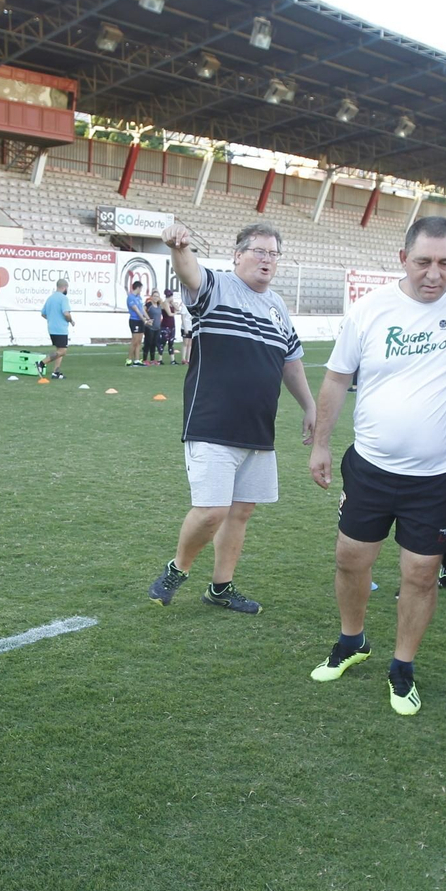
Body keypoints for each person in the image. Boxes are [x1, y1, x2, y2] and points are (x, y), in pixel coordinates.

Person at [305, 217, 446, 715]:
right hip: (371, 466)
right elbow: (334, 380)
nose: (433, 274)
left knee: (420, 573)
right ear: (402, 259)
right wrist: (320, 444)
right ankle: (352, 641)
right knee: (350, 558)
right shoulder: (370, 311)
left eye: (445, 263)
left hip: (440, 475)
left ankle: (402, 665)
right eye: (423, 262)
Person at [147, 222, 316, 613]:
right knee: (212, 511)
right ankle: (179, 568)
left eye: (273, 253)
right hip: (212, 423)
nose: (266, 259)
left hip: (258, 428)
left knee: (240, 512)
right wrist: (178, 247)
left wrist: (309, 405)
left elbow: (290, 362)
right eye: (259, 251)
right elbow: (189, 271)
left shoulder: (278, 307)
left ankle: (220, 588)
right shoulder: (217, 287)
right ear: (237, 254)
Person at [38, 278, 74, 379]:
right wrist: (71, 320)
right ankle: (41, 363)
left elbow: (43, 314)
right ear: (65, 287)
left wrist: (52, 319)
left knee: (59, 350)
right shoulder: (63, 298)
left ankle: (56, 372)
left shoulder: (50, 298)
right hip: (60, 328)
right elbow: (66, 313)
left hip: (51, 328)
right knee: (63, 351)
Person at [126, 280, 152, 366]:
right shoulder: (131, 297)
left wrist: (148, 318)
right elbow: (136, 310)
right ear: (138, 287)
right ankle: (129, 360)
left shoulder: (139, 297)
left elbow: (142, 309)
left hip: (140, 321)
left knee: (139, 341)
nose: (141, 290)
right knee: (134, 340)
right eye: (141, 288)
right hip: (134, 320)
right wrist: (144, 320)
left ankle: (137, 360)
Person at [168, 288, 191, 365]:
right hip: (186, 327)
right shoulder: (185, 305)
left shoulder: (193, 305)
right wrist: (185, 328)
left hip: (191, 327)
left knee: (190, 344)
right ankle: (183, 359)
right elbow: (183, 317)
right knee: (185, 343)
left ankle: (188, 359)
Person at [143, 288, 165, 365]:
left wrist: (160, 299)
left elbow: (165, 306)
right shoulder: (149, 304)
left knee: (154, 343)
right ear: (151, 297)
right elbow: (143, 310)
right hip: (149, 327)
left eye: (157, 296)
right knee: (148, 343)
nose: (156, 298)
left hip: (157, 328)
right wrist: (148, 319)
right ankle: (144, 359)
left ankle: (152, 359)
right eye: (154, 296)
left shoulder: (159, 305)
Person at [157, 292, 178, 365]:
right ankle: (160, 359)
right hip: (166, 325)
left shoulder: (170, 303)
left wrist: (173, 303)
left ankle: (172, 360)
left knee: (171, 342)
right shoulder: (165, 303)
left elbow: (177, 309)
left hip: (172, 325)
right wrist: (175, 313)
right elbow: (169, 314)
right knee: (163, 342)